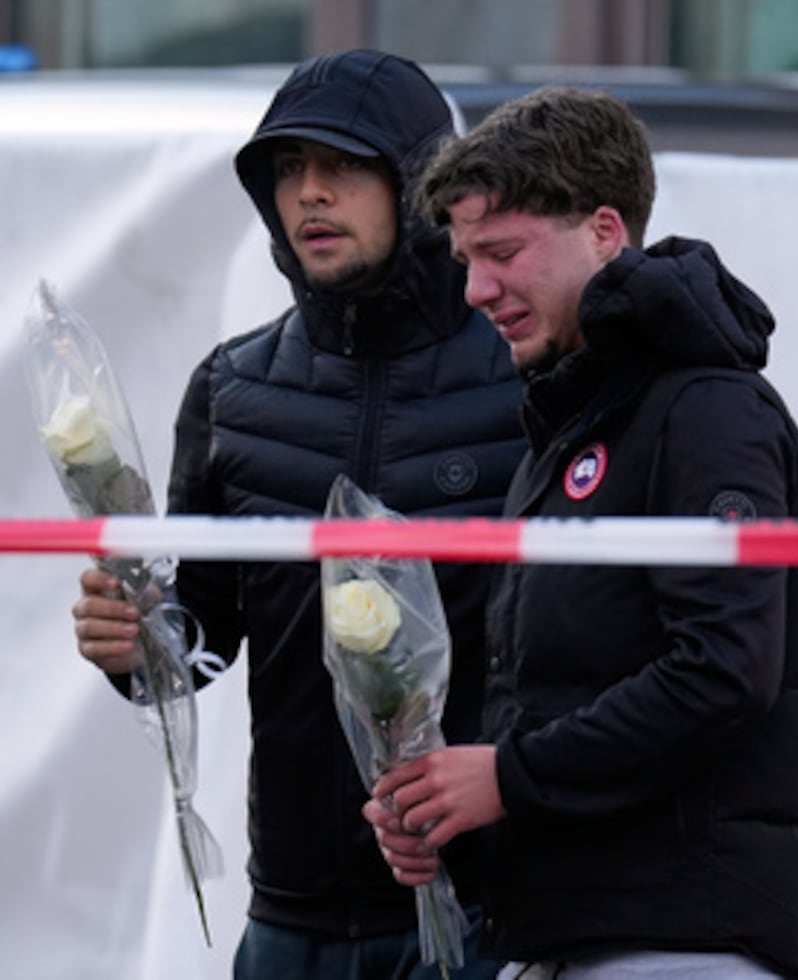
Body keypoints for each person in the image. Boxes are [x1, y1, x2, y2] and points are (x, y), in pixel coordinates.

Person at [71, 49, 526, 979]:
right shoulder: (230, 389)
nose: (311, 192)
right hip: (291, 915)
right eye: (288, 168)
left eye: (344, 164)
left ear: (420, 182)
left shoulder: (526, 381)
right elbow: (201, 637)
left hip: (488, 906)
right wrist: (134, 644)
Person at [364, 87, 798, 980]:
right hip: (567, 939)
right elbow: (560, 694)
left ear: (606, 231)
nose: (476, 291)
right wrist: (448, 805)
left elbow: (724, 670)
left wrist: (504, 778)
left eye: (502, 253)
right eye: (465, 260)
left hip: (680, 945)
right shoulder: (576, 422)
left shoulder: (707, 409)